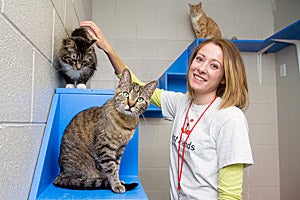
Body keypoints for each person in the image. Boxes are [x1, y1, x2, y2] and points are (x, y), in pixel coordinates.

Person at [80, 21, 254, 200]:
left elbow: (230, 195)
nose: (201, 68)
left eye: (214, 66)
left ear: (225, 78)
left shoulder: (230, 118)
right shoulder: (182, 103)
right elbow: (138, 86)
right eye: (199, 59)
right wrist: (107, 48)